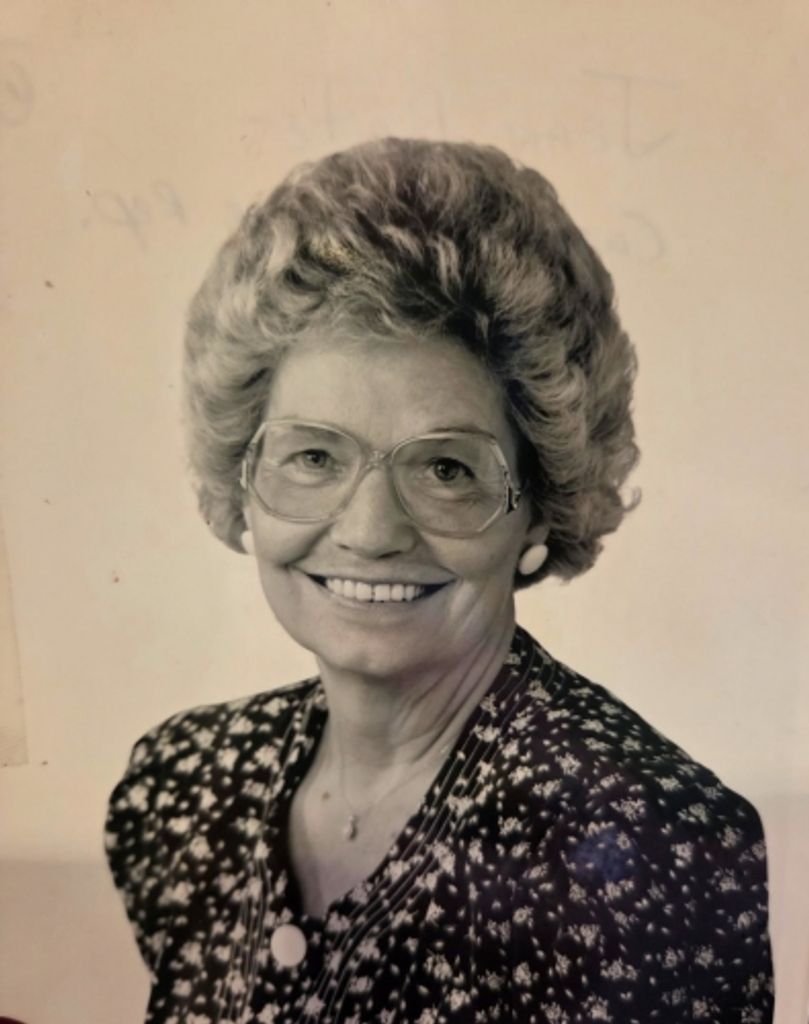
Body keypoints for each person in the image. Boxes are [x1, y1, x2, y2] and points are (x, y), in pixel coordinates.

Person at [105, 139, 773, 1023]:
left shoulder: (650, 842)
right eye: (314, 456)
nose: (369, 531)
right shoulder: (185, 786)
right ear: (244, 476)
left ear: (539, 507)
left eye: (446, 469)